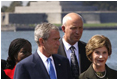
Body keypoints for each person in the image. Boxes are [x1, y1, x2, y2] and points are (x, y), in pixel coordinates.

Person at [58, 12, 91, 78]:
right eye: (73, 28)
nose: (78, 32)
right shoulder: (54, 51)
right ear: (63, 29)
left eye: (80, 28)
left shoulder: (88, 50)